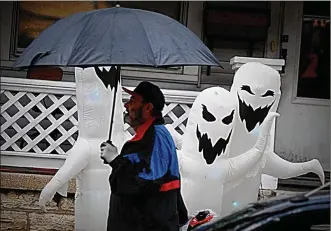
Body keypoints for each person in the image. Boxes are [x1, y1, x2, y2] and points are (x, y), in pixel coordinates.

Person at [100, 81, 188, 231]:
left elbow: (145, 184)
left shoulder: (156, 138)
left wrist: (115, 161)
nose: (127, 105)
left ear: (147, 107)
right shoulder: (147, 137)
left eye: (133, 100)